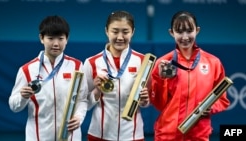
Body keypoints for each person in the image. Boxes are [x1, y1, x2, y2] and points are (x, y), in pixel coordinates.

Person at [150, 11, 230, 141]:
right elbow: (159, 103)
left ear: (197, 30)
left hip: (199, 135)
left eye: (189, 30)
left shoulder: (213, 63)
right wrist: (160, 79)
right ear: (171, 33)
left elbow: (222, 99)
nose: (185, 36)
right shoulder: (163, 63)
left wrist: (211, 107)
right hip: (167, 135)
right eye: (179, 31)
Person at [8, 15, 88, 141]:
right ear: (41, 38)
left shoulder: (77, 66)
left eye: (61, 38)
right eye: (50, 38)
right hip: (38, 136)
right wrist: (23, 97)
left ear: (67, 39)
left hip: (70, 136)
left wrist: (79, 117)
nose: (56, 44)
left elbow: (82, 99)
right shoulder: (27, 69)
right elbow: (13, 106)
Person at [83, 10, 150, 141]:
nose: (120, 37)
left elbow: (147, 101)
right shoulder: (92, 62)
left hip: (133, 135)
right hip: (99, 135)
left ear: (133, 32)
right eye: (115, 31)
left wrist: (144, 100)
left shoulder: (143, 62)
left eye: (125, 32)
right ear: (106, 31)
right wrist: (97, 92)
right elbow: (83, 103)